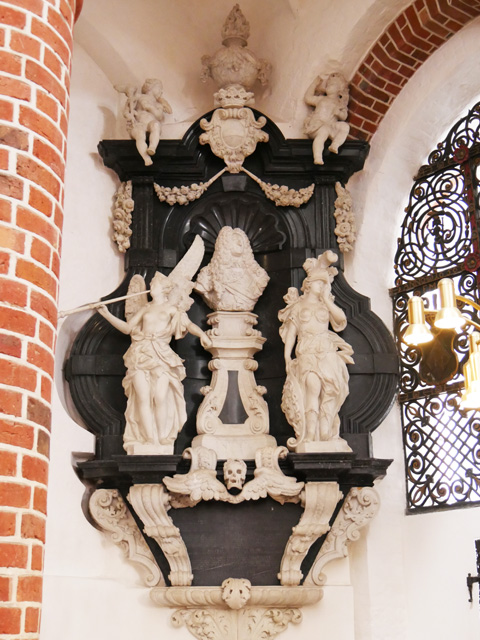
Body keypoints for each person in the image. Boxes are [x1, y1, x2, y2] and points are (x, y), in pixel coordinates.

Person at [98, 272, 211, 451]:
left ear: (164, 288)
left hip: (162, 355)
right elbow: (128, 328)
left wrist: (203, 334)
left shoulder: (172, 309)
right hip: (141, 353)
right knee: (142, 397)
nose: (151, 286)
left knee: (160, 397)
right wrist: (106, 314)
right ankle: (148, 438)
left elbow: (188, 325)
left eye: (154, 284)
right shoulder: (146, 309)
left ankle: (162, 437)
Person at [279, 253, 354, 446]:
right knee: (312, 387)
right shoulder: (298, 306)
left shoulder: (326, 305)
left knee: (330, 391)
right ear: (309, 284)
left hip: (326, 351)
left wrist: (327, 300)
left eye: (324, 284)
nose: (321, 286)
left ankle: (325, 432)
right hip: (307, 351)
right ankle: (310, 433)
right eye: (319, 283)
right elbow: (291, 333)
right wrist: (287, 357)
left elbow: (340, 320)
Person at [116, 78, 172, 166]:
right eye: (159, 88)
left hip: (150, 122)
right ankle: (146, 158)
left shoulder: (158, 104)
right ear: (151, 87)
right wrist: (129, 115)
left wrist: (150, 107)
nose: (161, 91)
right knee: (140, 136)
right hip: (138, 124)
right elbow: (127, 110)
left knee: (156, 125)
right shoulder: (138, 97)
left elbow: (159, 116)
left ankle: (152, 147)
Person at [304, 73, 350, 165]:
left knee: (345, 127)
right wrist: (314, 84)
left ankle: (335, 145)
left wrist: (339, 113)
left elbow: (344, 116)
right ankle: (317, 157)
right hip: (318, 125)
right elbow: (308, 98)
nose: (328, 86)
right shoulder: (321, 99)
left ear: (339, 89)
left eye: (332, 84)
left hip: (330, 125)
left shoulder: (340, 103)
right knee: (323, 133)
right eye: (327, 84)